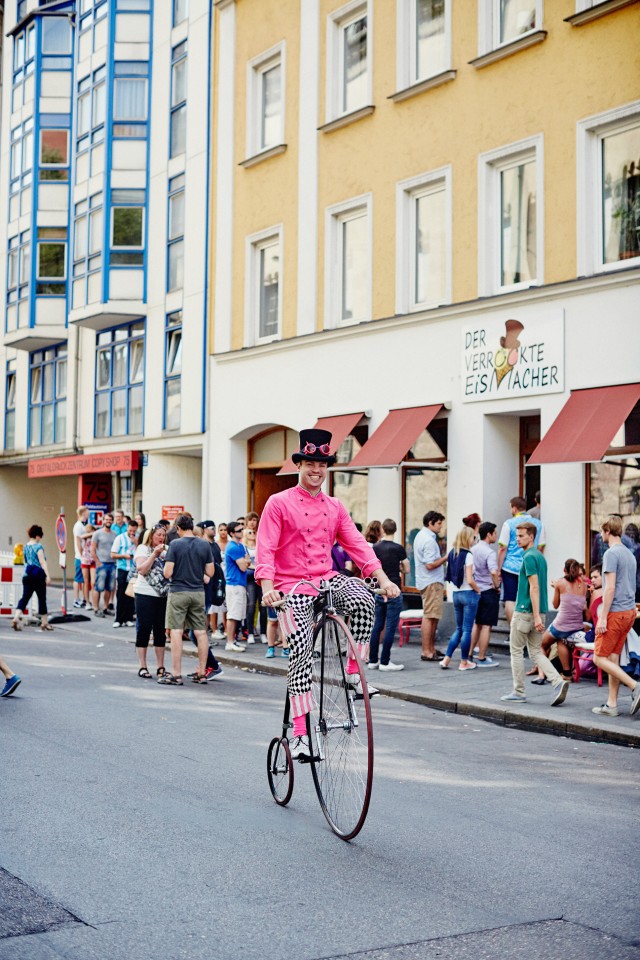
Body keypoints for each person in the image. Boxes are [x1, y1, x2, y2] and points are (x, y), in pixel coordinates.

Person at [256, 428, 400, 760]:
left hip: (324, 579)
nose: (316, 470)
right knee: (301, 655)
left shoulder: (334, 507)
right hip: (291, 587)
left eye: (322, 465)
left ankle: (353, 670)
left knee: (364, 597)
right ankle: (301, 734)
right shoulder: (278, 503)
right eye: (310, 464)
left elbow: (357, 544)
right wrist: (267, 588)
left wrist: (381, 577)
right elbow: (265, 548)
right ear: (300, 465)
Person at [500, 522, 569, 707]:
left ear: (531, 537)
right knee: (536, 652)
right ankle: (558, 681)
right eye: (517, 536)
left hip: (525, 611)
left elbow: (535, 587)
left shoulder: (529, 557)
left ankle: (519, 692)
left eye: (521, 536)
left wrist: (536, 615)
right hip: (538, 611)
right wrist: (539, 615)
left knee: (515, 651)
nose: (517, 539)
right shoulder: (539, 556)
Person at [592, 516, 640, 718]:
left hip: (616, 612)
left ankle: (635, 686)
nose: (600, 535)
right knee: (612, 658)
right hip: (629, 613)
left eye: (601, 531)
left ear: (606, 531)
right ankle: (611, 705)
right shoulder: (629, 554)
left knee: (598, 658)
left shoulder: (611, 554)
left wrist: (602, 617)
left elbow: (609, 588)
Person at [161, 514, 214, 685]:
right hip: (198, 592)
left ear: (178, 528)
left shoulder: (175, 544)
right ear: (192, 526)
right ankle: (202, 672)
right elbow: (211, 573)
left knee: (176, 631)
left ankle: (176, 674)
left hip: (178, 591)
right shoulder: (204, 544)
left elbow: (167, 573)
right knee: (200, 632)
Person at [368, 518, 409, 672]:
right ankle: (385, 661)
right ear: (395, 530)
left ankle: (373, 660)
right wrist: (399, 567)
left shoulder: (375, 547)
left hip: (379, 589)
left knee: (377, 625)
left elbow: (371, 568)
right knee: (390, 626)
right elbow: (407, 569)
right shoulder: (399, 548)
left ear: (383, 530)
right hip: (394, 590)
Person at [497, 496, 545, 626]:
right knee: (530, 597)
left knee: (510, 599)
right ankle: (527, 629)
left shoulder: (508, 523)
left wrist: (498, 569)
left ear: (514, 508)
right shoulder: (539, 524)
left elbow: (503, 548)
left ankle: (514, 631)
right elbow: (541, 547)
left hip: (510, 567)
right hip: (530, 566)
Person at [541, 559, 588, 682]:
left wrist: (556, 588)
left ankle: (544, 673)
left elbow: (555, 605)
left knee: (541, 645)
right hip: (577, 626)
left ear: (564, 570)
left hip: (561, 626)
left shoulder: (560, 583)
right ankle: (567, 674)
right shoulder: (584, 586)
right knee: (562, 641)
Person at [441, 527, 481, 670]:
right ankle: (464, 662)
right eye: (473, 537)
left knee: (458, 629)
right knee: (467, 630)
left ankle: (446, 659)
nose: (474, 540)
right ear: (467, 538)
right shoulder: (468, 555)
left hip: (456, 594)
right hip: (468, 594)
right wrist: (478, 590)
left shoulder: (452, 553)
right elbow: (470, 580)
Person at [133, 525, 169, 680]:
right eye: (159, 535)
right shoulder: (143, 549)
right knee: (144, 629)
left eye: (163, 535)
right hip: (144, 593)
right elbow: (141, 569)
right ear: (152, 536)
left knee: (160, 631)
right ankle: (143, 666)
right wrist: (154, 554)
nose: (161, 538)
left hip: (162, 594)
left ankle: (161, 666)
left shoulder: (167, 551)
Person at [413, 511, 447, 662]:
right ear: (430, 523)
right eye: (439, 523)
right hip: (431, 581)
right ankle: (427, 651)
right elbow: (430, 564)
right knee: (430, 616)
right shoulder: (428, 540)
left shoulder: (424, 537)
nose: (441, 526)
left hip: (428, 581)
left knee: (433, 616)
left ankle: (430, 648)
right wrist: (447, 557)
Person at [470, 522, 501, 667]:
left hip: (476, 590)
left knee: (477, 623)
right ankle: (481, 657)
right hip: (488, 590)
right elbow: (494, 571)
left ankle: (469, 654)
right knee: (487, 625)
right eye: (495, 533)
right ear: (488, 534)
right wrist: (497, 585)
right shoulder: (489, 552)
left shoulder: (473, 549)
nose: (496, 535)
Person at [11, 525, 53, 631]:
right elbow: (42, 562)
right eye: (40, 536)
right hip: (38, 576)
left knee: (25, 598)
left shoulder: (25, 547)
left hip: (27, 575)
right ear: (38, 535)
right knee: (41, 599)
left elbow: (26, 561)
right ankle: (45, 623)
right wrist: (47, 575)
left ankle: (16, 617)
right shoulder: (38, 547)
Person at [224, 520, 251, 652]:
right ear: (232, 533)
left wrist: (246, 561)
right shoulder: (233, 547)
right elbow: (243, 567)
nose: (242, 532)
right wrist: (246, 561)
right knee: (233, 615)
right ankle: (229, 642)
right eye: (239, 530)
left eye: (242, 529)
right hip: (234, 584)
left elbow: (247, 562)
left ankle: (233, 640)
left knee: (238, 615)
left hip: (239, 583)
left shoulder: (239, 546)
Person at [111, 519, 138, 628]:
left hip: (133, 569)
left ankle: (128, 618)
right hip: (122, 568)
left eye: (134, 531)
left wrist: (136, 541)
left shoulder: (137, 538)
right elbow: (113, 554)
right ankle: (119, 619)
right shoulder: (120, 538)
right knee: (121, 593)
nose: (132, 533)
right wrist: (124, 556)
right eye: (130, 530)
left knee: (131, 594)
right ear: (127, 528)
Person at [243, 523, 266, 642]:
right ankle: (250, 632)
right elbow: (246, 564)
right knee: (251, 605)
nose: (253, 534)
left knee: (263, 606)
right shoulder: (244, 547)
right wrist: (253, 566)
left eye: (254, 532)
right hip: (250, 579)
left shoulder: (259, 546)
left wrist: (252, 565)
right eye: (250, 533)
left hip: (260, 578)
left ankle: (263, 632)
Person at [91, 514, 117, 617]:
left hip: (112, 564)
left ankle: (105, 607)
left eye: (110, 519)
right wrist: (97, 562)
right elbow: (92, 550)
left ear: (112, 521)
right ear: (103, 520)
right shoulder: (97, 533)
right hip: (102, 563)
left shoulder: (114, 534)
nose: (108, 521)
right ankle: (96, 608)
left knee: (109, 588)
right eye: (106, 519)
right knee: (98, 587)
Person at [72, 506, 89, 607]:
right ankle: (76, 599)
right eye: (88, 512)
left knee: (83, 579)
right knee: (78, 578)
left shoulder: (84, 525)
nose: (89, 514)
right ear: (83, 513)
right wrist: (81, 553)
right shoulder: (78, 526)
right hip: (80, 556)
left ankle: (83, 598)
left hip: (84, 556)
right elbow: (78, 540)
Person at [80, 523, 96, 604]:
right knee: (86, 581)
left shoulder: (96, 537)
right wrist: (90, 533)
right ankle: (87, 601)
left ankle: (94, 601)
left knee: (93, 582)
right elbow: (82, 537)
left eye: (91, 530)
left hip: (93, 560)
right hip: (85, 559)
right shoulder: (85, 536)